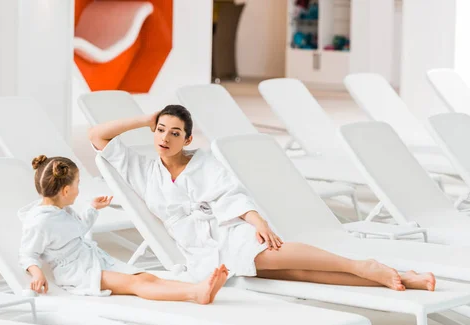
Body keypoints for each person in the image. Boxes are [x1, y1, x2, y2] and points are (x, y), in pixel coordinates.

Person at [89, 104, 436, 292]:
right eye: (161, 130)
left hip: (228, 233)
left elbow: (231, 194)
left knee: (277, 256)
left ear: (188, 139)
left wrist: (258, 222)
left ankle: (362, 265)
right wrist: (145, 118)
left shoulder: (204, 162)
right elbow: (96, 136)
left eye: (175, 132)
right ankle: (403, 277)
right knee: (298, 274)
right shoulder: (142, 170)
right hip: (200, 253)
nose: (165, 137)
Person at [18, 154, 228, 304]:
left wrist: (92, 208)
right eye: (77, 184)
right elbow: (28, 254)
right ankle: (194, 294)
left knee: (145, 277)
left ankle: (197, 289)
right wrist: (37, 274)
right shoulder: (39, 222)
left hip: (90, 258)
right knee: (133, 284)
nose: (78, 189)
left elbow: (77, 229)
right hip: (77, 272)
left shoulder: (61, 209)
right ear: (65, 190)